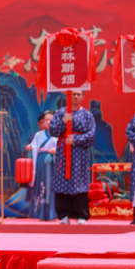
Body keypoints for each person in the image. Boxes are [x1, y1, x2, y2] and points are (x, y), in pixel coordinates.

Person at [48, 92, 96, 225]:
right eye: (73, 94)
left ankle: (81, 215)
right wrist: (64, 122)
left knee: (80, 181)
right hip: (63, 152)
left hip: (79, 153)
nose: (75, 97)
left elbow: (91, 134)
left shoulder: (88, 115)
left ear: (82, 97)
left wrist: (76, 139)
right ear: (68, 96)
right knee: (62, 180)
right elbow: (52, 131)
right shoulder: (60, 113)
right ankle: (64, 215)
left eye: (78, 94)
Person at [24, 110, 58, 221]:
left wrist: (57, 150)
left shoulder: (60, 134)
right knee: (42, 185)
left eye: (51, 120)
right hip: (41, 163)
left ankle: (54, 212)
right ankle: (41, 213)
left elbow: (65, 149)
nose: (48, 122)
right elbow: (33, 148)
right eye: (46, 120)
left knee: (53, 186)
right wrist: (29, 148)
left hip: (54, 163)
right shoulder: (38, 135)